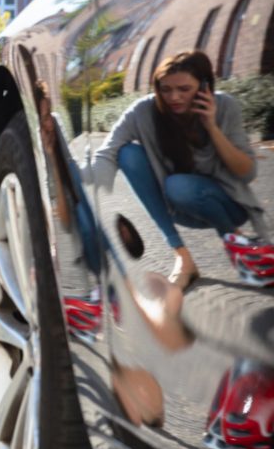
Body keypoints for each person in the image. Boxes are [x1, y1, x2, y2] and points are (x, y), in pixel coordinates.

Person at [92, 50, 269, 289]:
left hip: (229, 205)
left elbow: (247, 173)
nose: (173, 97)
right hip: (178, 207)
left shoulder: (226, 106)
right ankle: (183, 258)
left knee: (179, 185)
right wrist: (86, 192)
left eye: (184, 89)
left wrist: (212, 126)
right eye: (166, 89)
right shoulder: (144, 111)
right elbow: (107, 151)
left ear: (204, 86)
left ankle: (236, 242)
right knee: (128, 154)